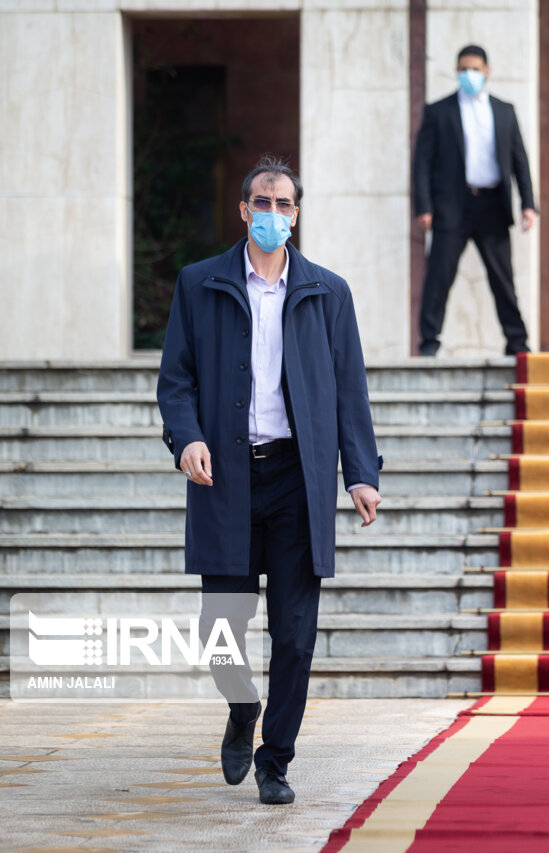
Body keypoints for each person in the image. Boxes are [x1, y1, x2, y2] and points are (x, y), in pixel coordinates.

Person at [157, 155, 382, 805]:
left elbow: (350, 390)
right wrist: (187, 438)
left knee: (295, 634)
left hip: (296, 479)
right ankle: (240, 706)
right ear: (243, 209)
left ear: (297, 214)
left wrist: (361, 474)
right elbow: (176, 379)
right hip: (223, 476)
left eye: (284, 204)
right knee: (220, 626)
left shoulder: (327, 292)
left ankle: (275, 758)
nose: (273, 213)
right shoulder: (199, 284)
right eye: (263, 202)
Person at [412, 44, 538, 356]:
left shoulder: (505, 111)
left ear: (487, 71)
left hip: (492, 205)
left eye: (474, 69)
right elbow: (422, 163)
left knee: (502, 278)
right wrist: (424, 207)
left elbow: (520, 160)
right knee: (439, 278)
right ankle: (429, 342)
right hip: (452, 206)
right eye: (463, 69)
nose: (468, 74)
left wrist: (528, 203)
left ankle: (517, 342)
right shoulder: (438, 111)